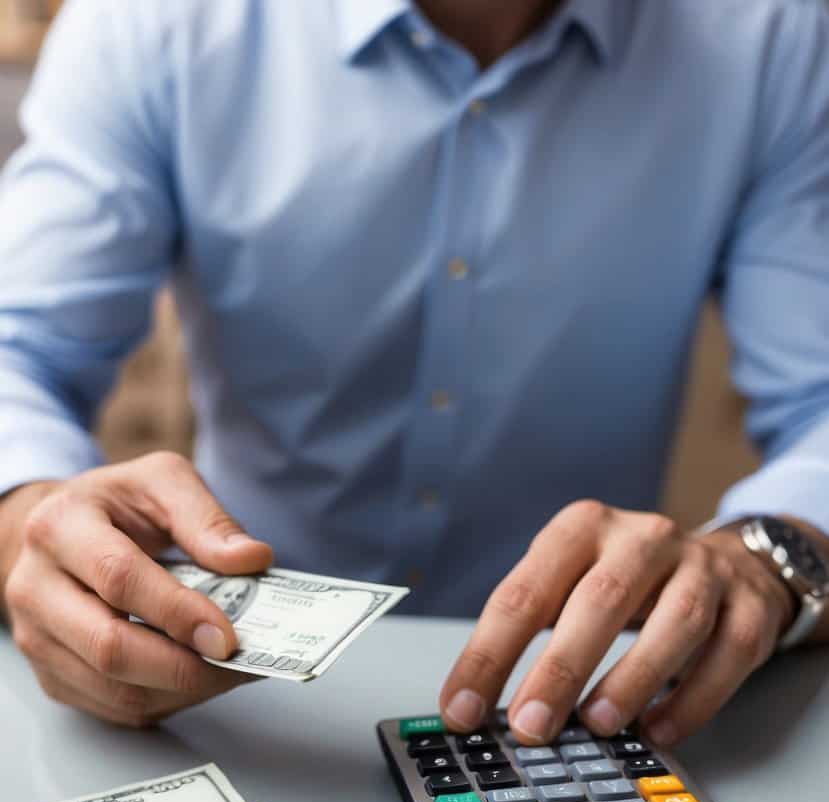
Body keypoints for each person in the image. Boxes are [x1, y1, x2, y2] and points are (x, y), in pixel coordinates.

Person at [0, 0, 828, 746]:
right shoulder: (151, 22)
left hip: (581, 711)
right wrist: (28, 516)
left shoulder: (772, 34)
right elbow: (17, 345)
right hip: (222, 703)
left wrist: (764, 558)